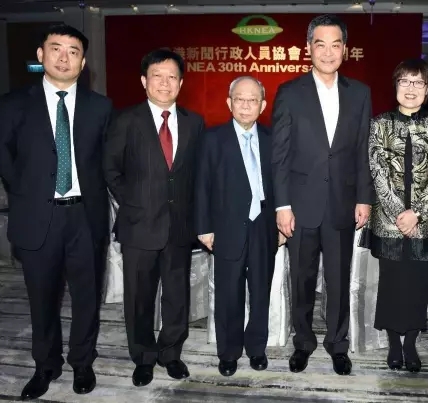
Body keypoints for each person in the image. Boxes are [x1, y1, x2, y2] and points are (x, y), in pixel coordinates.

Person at [0, 24, 112, 400]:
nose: (64, 57)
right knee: (41, 299)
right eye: (56, 49)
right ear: (41, 54)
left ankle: (82, 362)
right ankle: (45, 365)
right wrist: (27, 192)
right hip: (38, 217)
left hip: (85, 218)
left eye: (73, 52)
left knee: (86, 298)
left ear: (83, 62)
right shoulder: (12, 104)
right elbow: (5, 157)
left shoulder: (100, 107)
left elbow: (107, 162)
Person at [271, 14, 374, 375]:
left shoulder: (359, 93)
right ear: (308, 48)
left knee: (339, 280)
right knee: (301, 279)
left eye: (335, 45)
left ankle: (337, 343)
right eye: (320, 44)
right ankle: (303, 342)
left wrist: (364, 197)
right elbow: (279, 154)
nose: (328, 52)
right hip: (300, 206)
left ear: (345, 49)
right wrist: (282, 205)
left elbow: (363, 149)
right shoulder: (290, 92)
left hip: (342, 204)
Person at [103, 49, 204, 387]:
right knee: (139, 299)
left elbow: (198, 175)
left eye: (172, 76)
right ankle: (144, 357)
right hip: (139, 226)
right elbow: (110, 168)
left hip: (179, 228)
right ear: (144, 81)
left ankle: (171, 353)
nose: (164, 83)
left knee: (177, 297)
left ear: (181, 83)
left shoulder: (194, 122)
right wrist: (133, 203)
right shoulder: (125, 120)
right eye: (157, 76)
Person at [360, 59, 428, 372]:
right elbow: (378, 172)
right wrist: (400, 214)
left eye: (418, 82)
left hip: (426, 223)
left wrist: (417, 213)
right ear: (396, 86)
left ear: (427, 90)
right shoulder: (380, 124)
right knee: (391, 284)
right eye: (405, 81)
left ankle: (410, 343)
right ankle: (393, 344)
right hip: (389, 222)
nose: (411, 88)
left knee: (418, 285)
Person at [194, 76, 283, 377]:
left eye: (252, 100)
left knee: (260, 293)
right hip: (226, 228)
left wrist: (282, 224)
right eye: (239, 99)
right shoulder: (212, 139)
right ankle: (229, 352)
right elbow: (201, 185)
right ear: (229, 103)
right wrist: (204, 227)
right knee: (228, 294)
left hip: (264, 228)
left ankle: (256, 348)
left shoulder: (273, 138)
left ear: (263, 105)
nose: (246, 105)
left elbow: (283, 185)